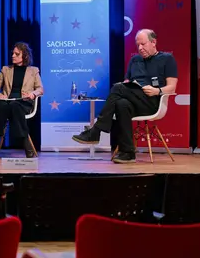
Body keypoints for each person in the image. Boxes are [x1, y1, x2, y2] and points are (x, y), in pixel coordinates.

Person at [72, 29, 178, 164]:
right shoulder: (135, 60)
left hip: (152, 102)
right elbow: (127, 83)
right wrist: (127, 85)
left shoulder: (167, 59)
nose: (140, 48)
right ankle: (128, 153)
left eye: (143, 44)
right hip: (135, 101)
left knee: (117, 88)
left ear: (153, 42)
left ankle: (96, 130)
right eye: (137, 45)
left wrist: (157, 91)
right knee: (121, 104)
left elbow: (172, 87)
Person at [0, 42, 43, 158]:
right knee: (2, 106)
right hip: (7, 102)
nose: (13, 56)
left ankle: (25, 144)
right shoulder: (6, 70)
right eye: (13, 53)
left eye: (17, 54)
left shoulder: (33, 71)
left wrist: (33, 93)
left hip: (23, 103)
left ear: (25, 56)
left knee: (15, 106)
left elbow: (40, 89)